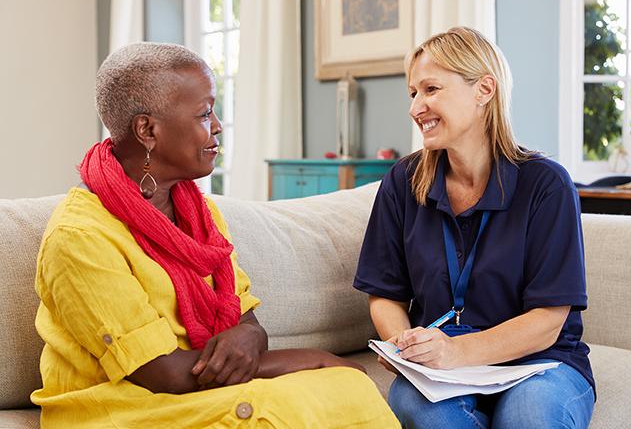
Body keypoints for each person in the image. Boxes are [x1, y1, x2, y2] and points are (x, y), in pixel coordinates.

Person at [31, 42, 399, 428]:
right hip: (124, 408)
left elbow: (246, 319)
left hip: (196, 392)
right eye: (205, 113)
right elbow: (165, 374)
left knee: (346, 388)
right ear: (147, 130)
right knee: (284, 408)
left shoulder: (198, 213)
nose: (219, 125)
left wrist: (250, 338)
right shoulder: (79, 237)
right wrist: (311, 357)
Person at [353, 27, 595, 428]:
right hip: (440, 370)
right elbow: (384, 295)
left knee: (529, 417)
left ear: (484, 90)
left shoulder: (546, 185)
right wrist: (404, 346)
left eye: (431, 89)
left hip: (537, 364)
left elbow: (548, 319)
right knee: (421, 409)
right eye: (413, 93)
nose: (416, 107)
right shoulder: (402, 181)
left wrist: (456, 351)